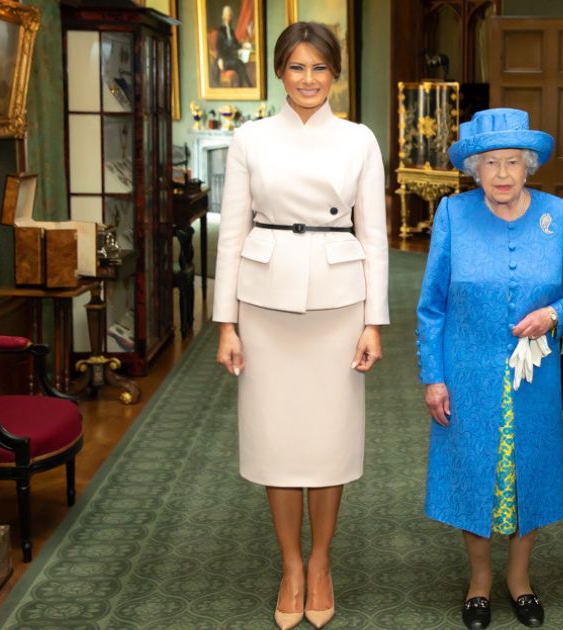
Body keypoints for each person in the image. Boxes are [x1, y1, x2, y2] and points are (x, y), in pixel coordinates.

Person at [212, 21, 388, 630]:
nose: (308, 79)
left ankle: (320, 562)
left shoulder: (359, 139)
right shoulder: (250, 139)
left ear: (334, 73)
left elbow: (375, 236)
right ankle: (290, 566)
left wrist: (374, 322)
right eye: (296, 67)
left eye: (319, 67)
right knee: (278, 441)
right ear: (279, 73)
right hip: (265, 305)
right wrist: (226, 323)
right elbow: (231, 234)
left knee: (328, 441)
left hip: (339, 304)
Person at [416, 108, 563, 630]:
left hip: (533, 378)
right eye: (491, 162)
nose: (501, 173)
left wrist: (554, 314)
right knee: (473, 473)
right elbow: (432, 306)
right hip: (467, 372)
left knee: (529, 474)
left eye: (513, 162)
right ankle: (479, 581)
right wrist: (433, 376)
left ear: (528, 166)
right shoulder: (452, 214)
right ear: (475, 168)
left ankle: (520, 579)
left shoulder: (558, 215)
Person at [214, 4, 253, 87]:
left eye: (230, 15)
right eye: (227, 15)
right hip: (223, 60)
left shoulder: (231, 30)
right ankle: (249, 85)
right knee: (239, 63)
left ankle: (241, 86)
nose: (229, 17)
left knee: (240, 64)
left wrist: (243, 45)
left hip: (230, 58)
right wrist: (219, 59)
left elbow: (236, 44)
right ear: (223, 17)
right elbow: (218, 47)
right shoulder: (220, 30)